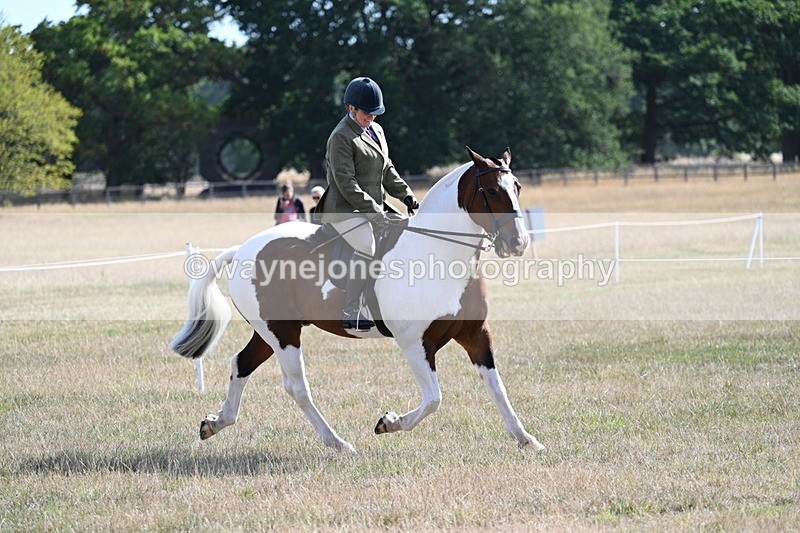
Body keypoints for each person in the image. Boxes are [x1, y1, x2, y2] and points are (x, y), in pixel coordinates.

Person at [317, 76, 419, 331]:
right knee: (367, 245)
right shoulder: (340, 136)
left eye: (375, 113)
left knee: (406, 233)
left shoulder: (377, 130)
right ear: (350, 107)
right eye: (366, 113)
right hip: (344, 209)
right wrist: (376, 213)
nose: (371, 118)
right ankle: (351, 308)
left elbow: (387, 169)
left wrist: (405, 194)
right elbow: (346, 183)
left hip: (373, 205)